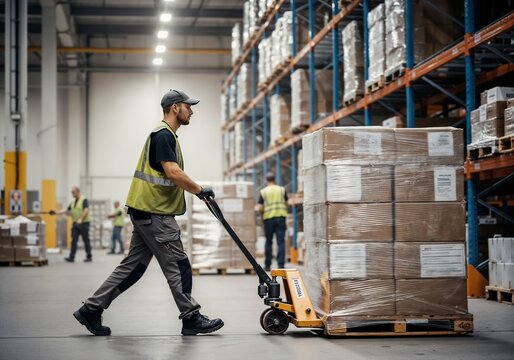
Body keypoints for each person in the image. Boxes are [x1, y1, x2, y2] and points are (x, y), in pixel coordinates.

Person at [72, 89, 223, 337]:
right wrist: (199, 190)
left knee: (133, 267)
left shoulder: (165, 135)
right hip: (156, 215)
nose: (191, 111)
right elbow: (173, 172)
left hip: (146, 213)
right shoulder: (163, 135)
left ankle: (91, 308)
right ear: (175, 108)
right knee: (179, 264)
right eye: (188, 106)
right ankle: (191, 317)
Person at [255, 172, 288, 271]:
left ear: (266, 180)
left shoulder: (263, 191)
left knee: (268, 242)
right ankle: (281, 265)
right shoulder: (282, 190)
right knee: (281, 242)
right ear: (274, 179)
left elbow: (260, 207)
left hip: (268, 219)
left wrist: (262, 213)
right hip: (280, 218)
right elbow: (286, 203)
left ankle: (267, 265)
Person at [52, 186, 93, 263]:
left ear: (78, 192)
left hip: (84, 223)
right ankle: (71, 257)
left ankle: (89, 256)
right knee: (73, 240)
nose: (72, 193)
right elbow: (66, 210)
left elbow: (86, 210)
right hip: (75, 223)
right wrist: (56, 212)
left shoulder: (84, 199)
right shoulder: (73, 202)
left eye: (73, 192)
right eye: (71, 192)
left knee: (86, 240)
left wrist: (80, 219)